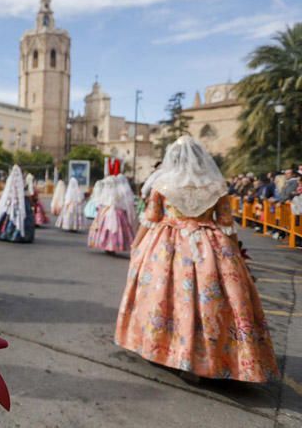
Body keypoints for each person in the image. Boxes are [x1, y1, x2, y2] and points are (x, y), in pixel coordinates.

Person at [116, 136, 278, 382]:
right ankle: (212, 355)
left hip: (166, 244)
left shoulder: (163, 185)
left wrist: (136, 245)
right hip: (210, 246)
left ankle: (168, 348)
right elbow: (226, 226)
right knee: (214, 300)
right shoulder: (215, 185)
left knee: (165, 296)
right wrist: (235, 257)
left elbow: (150, 219)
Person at [87, 176, 135, 255]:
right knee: (113, 230)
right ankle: (113, 245)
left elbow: (105, 202)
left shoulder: (113, 192)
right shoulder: (119, 193)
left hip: (109, 212)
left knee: (108, 230)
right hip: (116, 213)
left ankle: (108, 245)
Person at [0, 165, 35, 243]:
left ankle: (8, 233)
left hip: (15, 202)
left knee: (11, 216)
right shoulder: (21, 181)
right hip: (18, 202)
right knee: (20, 216)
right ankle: (18, 234)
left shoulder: (16, 181)